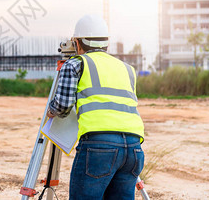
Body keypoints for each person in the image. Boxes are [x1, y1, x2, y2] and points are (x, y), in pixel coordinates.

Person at [47, 14, 145, 199]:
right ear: (106, 43)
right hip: (134, 148)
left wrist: (50, 111)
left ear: (77, 43)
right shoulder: (127, 68)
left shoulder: (75, 63)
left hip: (99, 146)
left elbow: (62, 106)